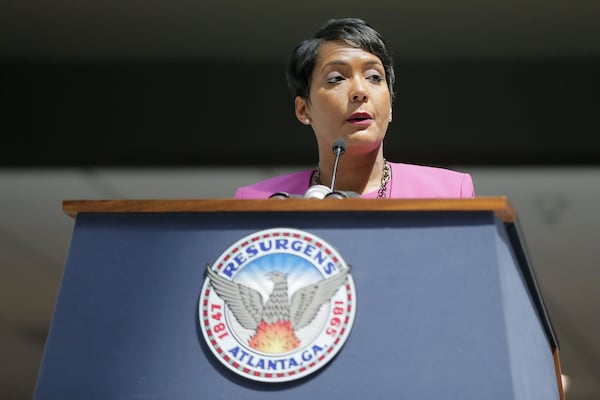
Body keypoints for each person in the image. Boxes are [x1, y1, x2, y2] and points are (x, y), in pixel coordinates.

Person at [235, 18, 474, 199]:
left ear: (390, 106)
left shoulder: (449, 192)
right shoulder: (261, 201)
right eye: (336, 78)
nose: (360, 91)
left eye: (374, 77)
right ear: (303, 110)